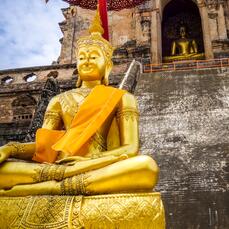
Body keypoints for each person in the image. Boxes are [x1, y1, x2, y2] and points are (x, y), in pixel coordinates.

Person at [0, 11, 159, 196]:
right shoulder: (58, 100)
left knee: (146, 166)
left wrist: (87, 162)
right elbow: (44, 148)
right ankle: (62, 182)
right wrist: (11, 148)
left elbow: (130, 148)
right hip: (58, 168)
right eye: (82, 57)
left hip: (96, 166)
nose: (86, 61)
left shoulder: (121, 97)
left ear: (107, 66)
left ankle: (51, 187)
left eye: (93, 57)